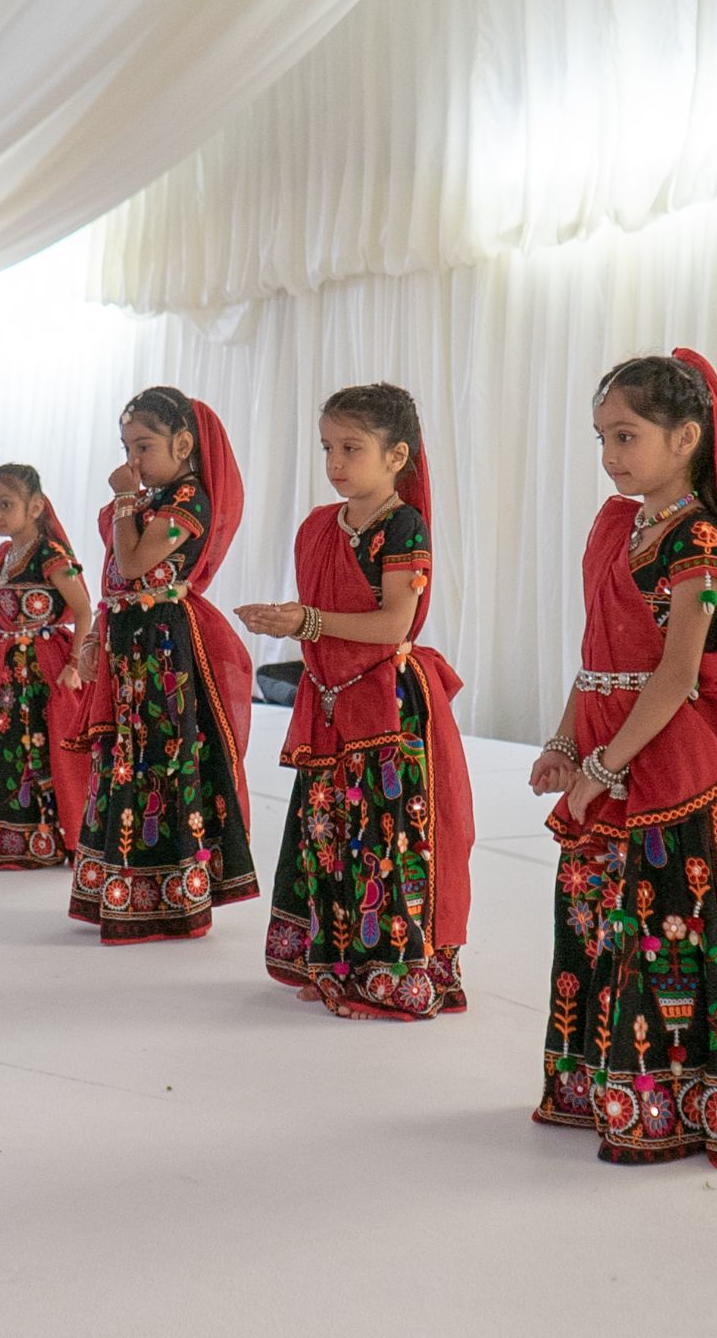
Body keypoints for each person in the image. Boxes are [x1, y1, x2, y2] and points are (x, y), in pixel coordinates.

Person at [530, 350, 717, 1168]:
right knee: (599, 919)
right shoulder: (619, 523)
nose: (611, 455)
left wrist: (604, 769)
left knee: (663, 930)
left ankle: (673, 1100)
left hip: (666, 762)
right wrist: (565, 739)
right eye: (602, 436)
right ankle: (598, 1085)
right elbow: (595, 652)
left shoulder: (699, 540)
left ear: (686, 437)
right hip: (609, 747)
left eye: (627, 435)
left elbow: (678, 673)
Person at [238, 383, 474, 1019]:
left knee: (385, 839)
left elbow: (394, 624)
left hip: (385, 709)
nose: (335, 463)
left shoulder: (403, 525)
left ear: (396, 456)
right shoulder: (321, 525)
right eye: (327, 448)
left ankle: (391, 976)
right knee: (330, 833)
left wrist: (304, 623)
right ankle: (338, 964)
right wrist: (301, 625)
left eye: (351, 447)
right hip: (331, 702)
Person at [65, 387, 257, 943]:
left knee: (162, 757)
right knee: (125, 755)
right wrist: (98, 630)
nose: (131, 463)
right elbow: (114, 582)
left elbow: (133, 561)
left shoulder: (189, 499)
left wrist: (125, 501)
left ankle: (169, 894)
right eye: (126, 447)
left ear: (182, 443)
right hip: (132, 641)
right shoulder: (153, 500)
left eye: (143, 447)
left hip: (163, 649)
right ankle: (124, 883)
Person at [0, 464, 92, 869]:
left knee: (42, 746)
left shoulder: (50, 555)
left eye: (5, 504)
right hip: (7, 668)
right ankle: (1, 835)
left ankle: (46, 837)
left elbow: (83, 610)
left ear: (36, 506)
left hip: (44, 669)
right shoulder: (5, 554)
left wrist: (75, 663)